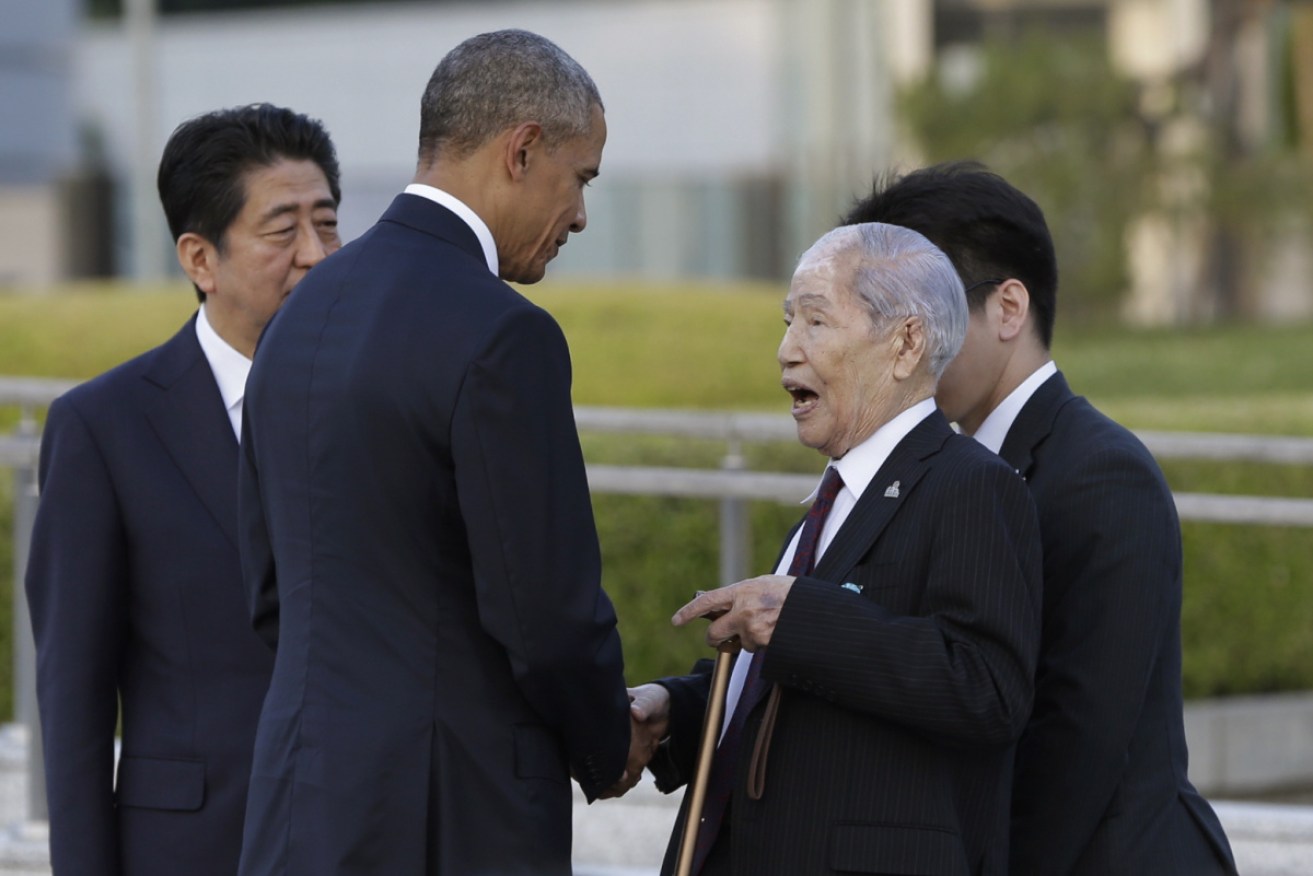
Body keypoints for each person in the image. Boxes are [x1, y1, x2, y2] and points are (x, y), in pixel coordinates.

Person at [236, 30, 633, 876]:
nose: (580, 216)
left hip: (297, 802)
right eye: (581, 178)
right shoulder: (503, 334)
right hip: (453, 815)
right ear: (522, 150)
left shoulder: (296, 316)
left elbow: (270, 591)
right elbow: (546, 617)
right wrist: (609, 747)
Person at [842, 161, 1238, 875]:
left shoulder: (1098, 473)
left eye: (922, 308)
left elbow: (1078, 741)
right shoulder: (931, 471)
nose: (898, 342)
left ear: (1007, 308)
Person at [629, 222, 1043, 875]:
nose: (785, 350)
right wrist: (674, 711)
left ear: (905, 343)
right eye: (788, 322)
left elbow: (988, 689)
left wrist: (797, 616)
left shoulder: (971, 486)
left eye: (814, 323)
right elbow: (789, 685)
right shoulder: (841, 491)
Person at [25, 103, 342, 876]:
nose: (316, 255)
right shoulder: (105, 426)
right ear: (200, 259)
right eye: (283, 230)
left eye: (328, 224)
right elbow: (75, 702)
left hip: (362, 838)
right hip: (193, 847)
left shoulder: (384, 405)